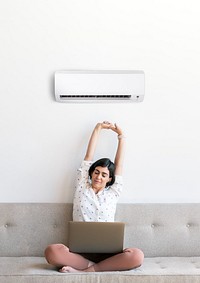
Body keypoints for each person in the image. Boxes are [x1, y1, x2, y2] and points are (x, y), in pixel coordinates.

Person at [44, 121, 144, 272]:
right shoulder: (82, 187)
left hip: (108, 254)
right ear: (91, 173)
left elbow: (119, 165)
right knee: (52, 251)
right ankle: (92, 268)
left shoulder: (113, 192)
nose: (99, 177)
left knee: (137, 256)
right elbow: (88, 156)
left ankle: (85, 271)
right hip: (80, 253)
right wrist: (97, 129)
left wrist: (121, 137)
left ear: (110, 178)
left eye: (104, 174)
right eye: (96, 172)